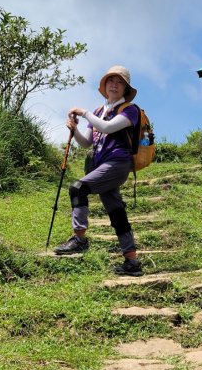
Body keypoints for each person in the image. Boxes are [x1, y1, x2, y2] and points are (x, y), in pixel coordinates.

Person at [54, 65, 143, 277]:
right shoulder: (98, 112)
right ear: (105, 85)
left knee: (78, 189)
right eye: (111, 81)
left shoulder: (130, 110)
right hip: (102, 165)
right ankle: (132, 262)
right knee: (116, 211)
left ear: (125, 88)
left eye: (120, 82)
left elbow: (106, 128)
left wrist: (83, 113)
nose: (114, 85)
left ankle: (79, 239)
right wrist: (74, 130)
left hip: (118, 164)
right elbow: (86, 143)